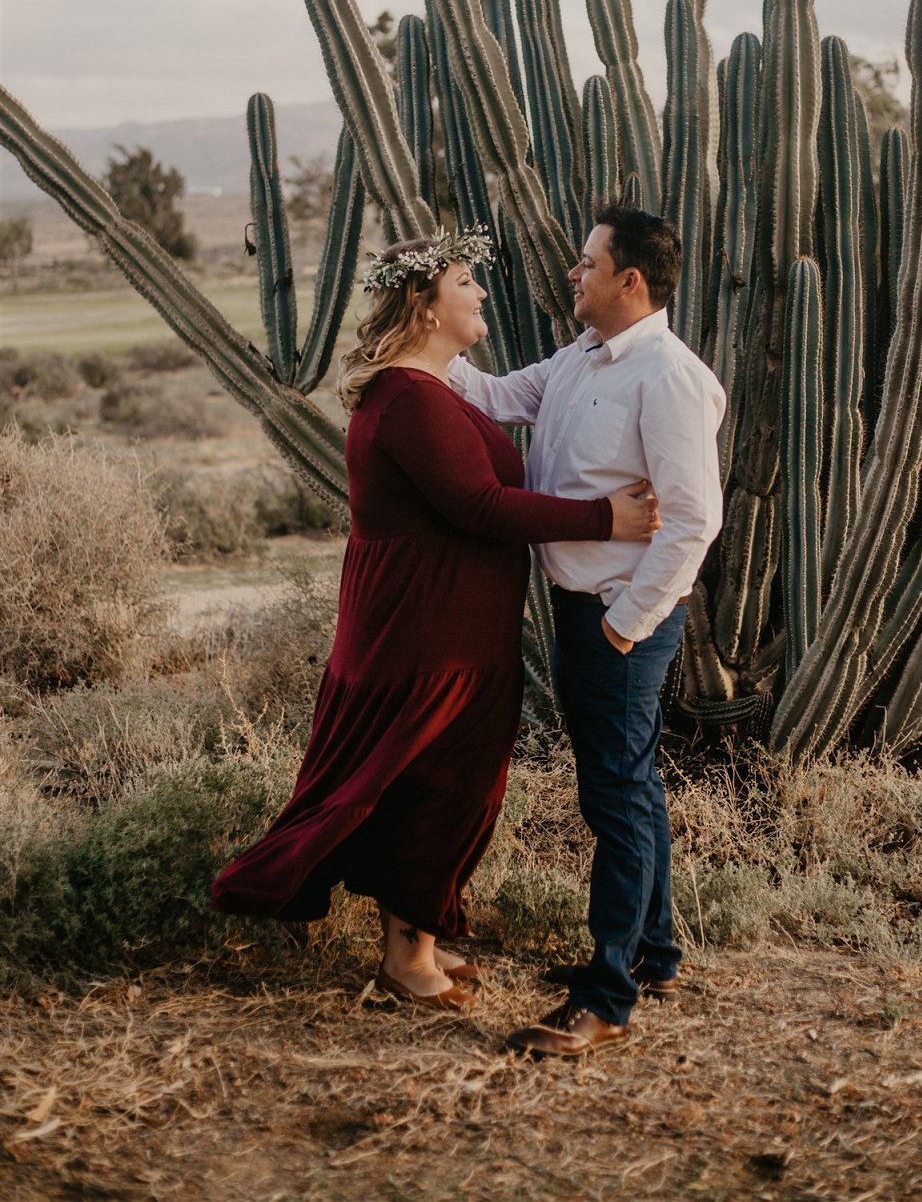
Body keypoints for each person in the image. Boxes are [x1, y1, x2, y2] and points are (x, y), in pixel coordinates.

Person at [210, 225, 661, 1009]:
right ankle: (406, 958)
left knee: (436, 781)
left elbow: (497, 420)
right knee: (433, 783)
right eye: (464, 283)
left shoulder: (426, 389)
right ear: (424, 305)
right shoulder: (410, 401)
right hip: (430, 633)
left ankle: (414, 942)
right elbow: (476, 504)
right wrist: (604, 520)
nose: (481, 292)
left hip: (443, 626)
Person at [449, 204, 725, 1056]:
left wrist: (624, 626)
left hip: (620, 618)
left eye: (587, 263)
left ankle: (605, 997)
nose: (574, 274)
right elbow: (493, 397)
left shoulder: (669, 377)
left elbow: (693, 520)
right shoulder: (578, 358)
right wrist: (425, 332)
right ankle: (656, 955)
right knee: (628, 787)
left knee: (612, 796)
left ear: (628, 280)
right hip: (583, 610)